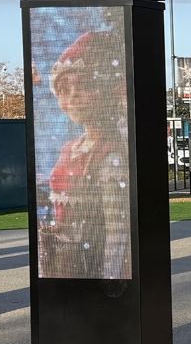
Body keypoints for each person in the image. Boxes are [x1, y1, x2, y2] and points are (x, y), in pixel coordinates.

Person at [41, 30, 131, 279]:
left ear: (106, 91)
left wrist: (111, 279)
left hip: (88, 264)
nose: (73, 96)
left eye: (84, 86)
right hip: (61, 261)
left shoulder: (109, 154)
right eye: (65, 89)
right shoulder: (70, 148)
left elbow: (117, 230)